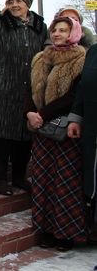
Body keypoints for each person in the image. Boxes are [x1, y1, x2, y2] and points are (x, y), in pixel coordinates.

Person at [0, 0, 48, 196]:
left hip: (28, 91)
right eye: (12, 1)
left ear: (28, 4)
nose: (15, 5)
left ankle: (19, 177)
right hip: (2, 90)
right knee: (2, 136)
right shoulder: (0, 24)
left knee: (25, 137)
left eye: (20, 1)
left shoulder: (39, 27)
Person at [25, 16, 87, 252]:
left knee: (65, 182)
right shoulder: (41, 57)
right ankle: (47, 230)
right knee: (43, 181)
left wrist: (41, 113)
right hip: (42, 130)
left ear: (74, 33)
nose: (58, 34)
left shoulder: (81, 58)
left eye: (63, 30)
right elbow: (28, 89)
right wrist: (30, 113)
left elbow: (74, 96)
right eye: (55, 30)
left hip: (65, 132)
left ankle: (66, 233)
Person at [68, 43, 97, 244]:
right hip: (92, 130)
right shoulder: (94, 51)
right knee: (93, 179)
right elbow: (82, 87)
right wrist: (76, 117)